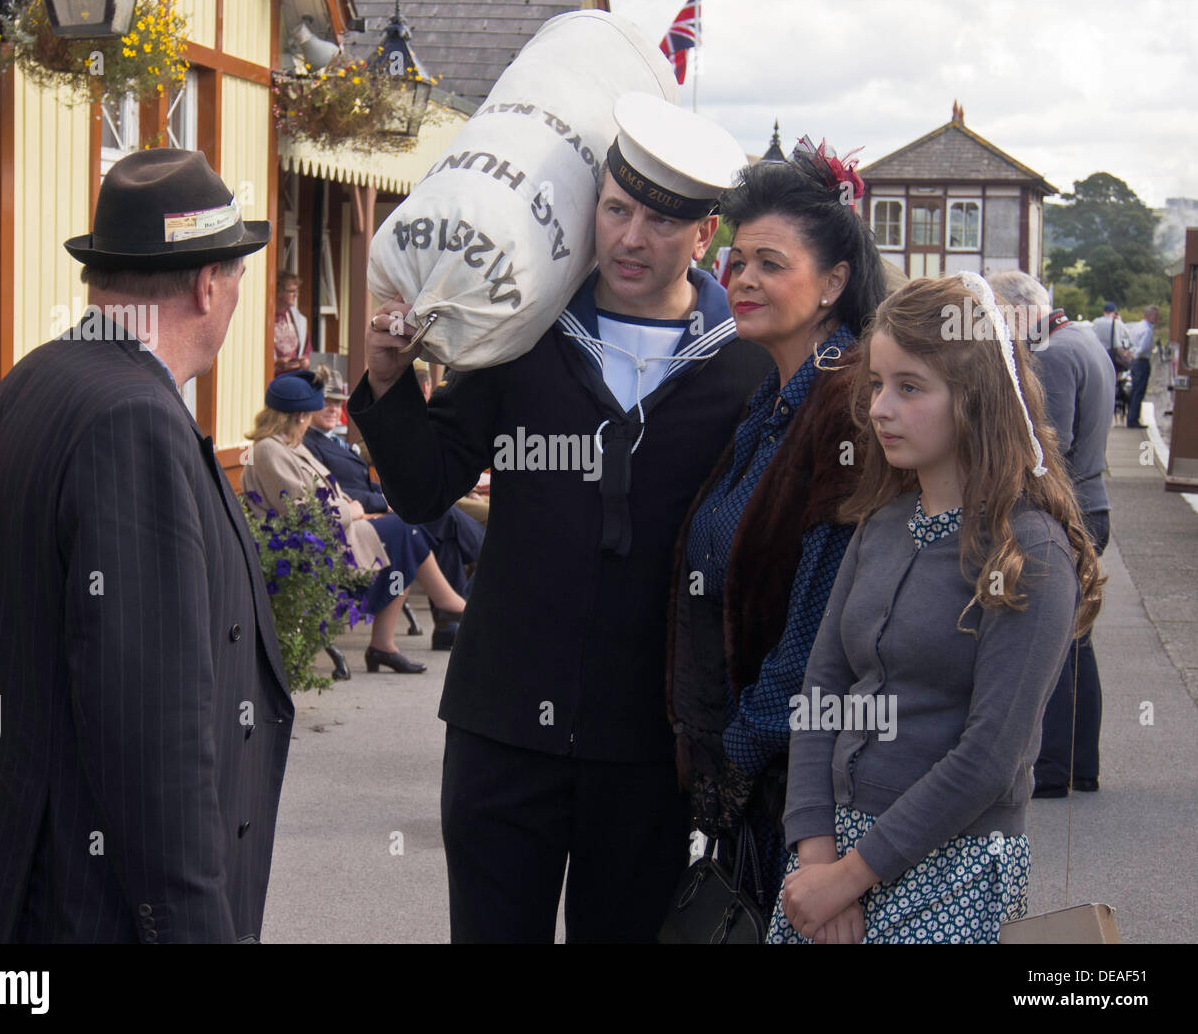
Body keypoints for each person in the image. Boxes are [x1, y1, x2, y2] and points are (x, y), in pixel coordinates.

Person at [349, 93, 771, 942]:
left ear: (705, 236)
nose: (629, 238)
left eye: (658, 221)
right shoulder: (525, 331)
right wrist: (390, 381)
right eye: (616, 210)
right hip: (502, 727)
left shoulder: (746, 370)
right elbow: (426, 490)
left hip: (650, 748)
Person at [0, 149, 293, 942]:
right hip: (96, 899)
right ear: (207, 283)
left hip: (23, 866)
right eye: (238, 277)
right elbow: (152, 724)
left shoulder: (32, 378)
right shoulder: (133, 420)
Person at [771, 273, 1103, 944]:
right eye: (876, 385)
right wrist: (815, 857)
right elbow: (821, 691)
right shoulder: (880, 525)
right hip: (833, 858)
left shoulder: (1027, 548)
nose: (880, 409)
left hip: (952, 866)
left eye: (910, 387)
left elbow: (990, 757)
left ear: (974, 398)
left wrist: (852, 875)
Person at [666, 141, 886, 921]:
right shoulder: (774, 396)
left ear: (833, 283)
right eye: (735, 263)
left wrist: (739, 753)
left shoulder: (846, 405)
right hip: (751, 776)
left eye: (769, 262)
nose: (744, 279)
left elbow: (818, 621)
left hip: (798, 787)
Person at [242, 370, 467, 674]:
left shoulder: (287, 446)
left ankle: (392, 641)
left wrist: (349, 508)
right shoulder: (270, 450)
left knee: (406, 535)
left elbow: (318, 498)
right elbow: (303, 513)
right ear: (297, 416)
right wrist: (354, 511)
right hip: (315, 544)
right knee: (407, 532)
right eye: (308, 414)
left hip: (333, 533)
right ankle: (442, 609)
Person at [990, 270, 1114, 797]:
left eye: (996, 316)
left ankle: (1054, 770)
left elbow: (1048, 450)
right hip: (1093, 503)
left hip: (1071, 509)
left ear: (1019, 311)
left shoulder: (1056, 355)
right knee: (1074, 641)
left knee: (1053, 644)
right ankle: (1080, 765)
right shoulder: (1083, 338)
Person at [305, 368, 484, 652]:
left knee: (446, 537)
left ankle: (449, 626)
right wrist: (384, 501)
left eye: (338, 402)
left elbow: (367, 482)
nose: (333, 408)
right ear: (309, 406)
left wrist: (389, 495)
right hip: (360, 521)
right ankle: (478, 569)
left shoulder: (332, 441)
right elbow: (335, 492)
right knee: (440, 517)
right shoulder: (310, 445)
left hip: (377, 510)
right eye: (327, 401)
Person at [274, 270, 312, 374]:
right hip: (274, 379)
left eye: (297, 291)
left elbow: (307, 350)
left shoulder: (299, 320)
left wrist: (305, 361)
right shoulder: (266, 319)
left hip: (296, 376)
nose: (296, 295)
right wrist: (276, 362)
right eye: (292, 291)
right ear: (279, 292)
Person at [1126, 305, 1158, 429]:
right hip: (1141, 361)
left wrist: (1132, 354)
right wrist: (1136, 354)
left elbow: (1132, 342)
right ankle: (1133, 420)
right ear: (1149, 316)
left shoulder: (1138, 326)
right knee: (1139, 391)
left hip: (1135, 361)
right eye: (1156, 316)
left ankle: (1131, 417)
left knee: (1135, 390)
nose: (1157, 319)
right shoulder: (1147, 330)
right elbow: (1143, 348)